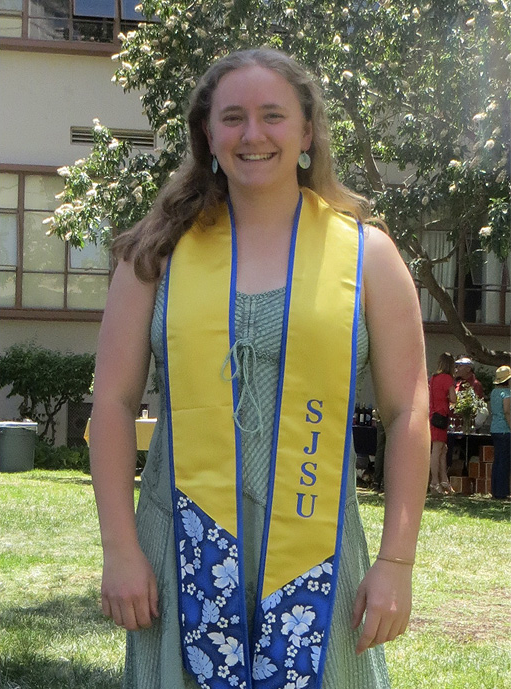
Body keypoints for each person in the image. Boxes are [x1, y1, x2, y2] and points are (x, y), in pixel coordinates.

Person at [89, 48, 428, 689]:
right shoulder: (156, 255)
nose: (253, 135)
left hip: (318, 542)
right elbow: (111, 403)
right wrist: (120, 547)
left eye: (273, 116)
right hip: (181, 543)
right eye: (233, 117)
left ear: (306, 133)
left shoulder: (368, 257)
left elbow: (408, 411)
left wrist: (397, 562)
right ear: (208, 135)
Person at [428, 352, 458, 495]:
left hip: (433, 415)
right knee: (437, 450)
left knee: (442, 450)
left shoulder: (433, 378)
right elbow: (454, 398)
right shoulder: (447, 379)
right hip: (441, 416)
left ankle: (443, 481)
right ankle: (434, 482)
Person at [491, 366, 511, 500]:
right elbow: (507, 412)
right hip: (505, 429)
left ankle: (495, 490)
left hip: (494, 428)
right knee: (505, 461)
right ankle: (502, 491)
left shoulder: (493, 392)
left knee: (497, 460)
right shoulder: (507, 393)